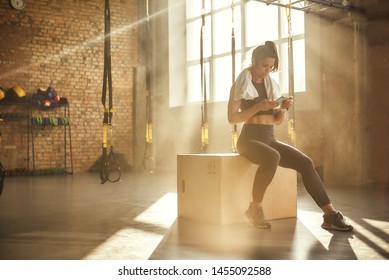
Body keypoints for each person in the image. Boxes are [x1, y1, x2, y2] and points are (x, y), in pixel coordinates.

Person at [227, 41, 353, 231]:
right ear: (253, 61)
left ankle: (330, 215)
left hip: (269, 139)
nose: (267, 71)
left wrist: (284, 109)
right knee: (272, 156)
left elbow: (277, 121)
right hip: (248, 140)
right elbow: (232, 118)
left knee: (306, 163)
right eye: (264, 66)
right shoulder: (240, 85)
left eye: (271, 67)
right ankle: (255, 208)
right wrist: (259, 106)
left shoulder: (272, 85)